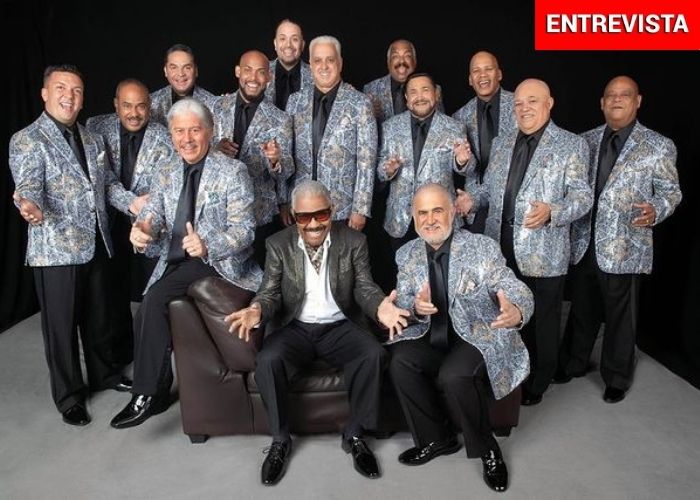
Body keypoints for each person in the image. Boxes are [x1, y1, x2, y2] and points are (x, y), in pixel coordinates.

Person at [226, 180, 409, 485]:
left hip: (340, 326)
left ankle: (355, 435)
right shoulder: (278, 244)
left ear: (332, 211)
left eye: (321, 215)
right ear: (293, 215)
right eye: (304, 217)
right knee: (268, 361)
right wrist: (256, 309)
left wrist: (380, 307)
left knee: (373, 354)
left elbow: (364, 286)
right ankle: (280, 440)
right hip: (295, 327)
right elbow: (270, 292)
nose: (313, 224)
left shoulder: (354, 241)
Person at [110, 98, 262, 429]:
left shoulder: (233, 171)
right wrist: (142, 228)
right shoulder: (165, 170)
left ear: (210, 131)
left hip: (215, 262)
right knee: (147, 311)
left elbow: (245, 231)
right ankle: (159, 390)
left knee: (154, 300)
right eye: (179, 131)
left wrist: (208, 244)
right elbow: (154, 213)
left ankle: (145, 394)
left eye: (195, 130)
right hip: (174, 258)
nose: (187, 139)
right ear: (171, 135)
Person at [387, 183, 533, 493]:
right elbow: (404, 301)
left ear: (453, 211)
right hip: (432, 333)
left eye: (437, 211)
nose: (429, 220)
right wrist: (414, 308)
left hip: (477, 334)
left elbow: (511, 285)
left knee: (454, 375)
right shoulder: (407, 254)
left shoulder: (481, 247)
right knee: (400, 361)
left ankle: (488, 449)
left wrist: (517, 310)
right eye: (422, 213)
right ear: (413, 216)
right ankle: (436, 439)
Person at [9, 64, 130, 426]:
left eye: (76, 90)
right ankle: (69, 396)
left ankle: (104, 374)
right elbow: (29, 184)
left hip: (96, 241)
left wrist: (134, 204)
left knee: (99, 317)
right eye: (61, 88)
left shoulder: (91, 138)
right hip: (56, 249)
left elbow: (107, 185)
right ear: (45, 93)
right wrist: (29, 205)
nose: (69, 96)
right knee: (61, 328)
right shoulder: (27, 139)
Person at [555, 75, 682, 403]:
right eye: (610, 95)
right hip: (585, 241)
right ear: (601, 103)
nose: (616, 100)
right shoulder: (585, 141)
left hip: (626, 245)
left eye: (624, 95)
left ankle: (616, 377)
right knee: (582, 307)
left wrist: (656, 210)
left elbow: (671, 192)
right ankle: (573, 362)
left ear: (637, 101)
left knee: (620, 317)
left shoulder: (658, 145)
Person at [468, 78, 593, 406]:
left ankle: (539, 381)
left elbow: (582, 197)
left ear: (549, 104)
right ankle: (511, 373)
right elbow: (488, 190)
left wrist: (553, 211)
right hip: (500, 244)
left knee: (542, 321)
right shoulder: (502, 142)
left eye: (532, 101)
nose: (524, 108)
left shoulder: (571, 144)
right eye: (519, 103)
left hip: (543, 250)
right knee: (508, 313)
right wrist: (470, 200)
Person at [86, 78, 175, 363]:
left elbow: (166, 184)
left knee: (154, 295)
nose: (134, 113)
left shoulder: (165, 135)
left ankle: (153, 356)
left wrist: (146, 209)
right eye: (127, 105)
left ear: (150, 107)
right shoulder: (95, 128)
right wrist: (131, 202)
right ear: (116, 105)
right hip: (109, 225)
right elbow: (99, 179)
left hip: (150, 226)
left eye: (140, 106)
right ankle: (120, 356)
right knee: (111, 295)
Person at [284, 35, 377, 232]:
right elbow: (286, 155)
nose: (324, 66)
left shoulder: (360, 103)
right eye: (318, 60)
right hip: (301, 206)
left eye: (330, 60)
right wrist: (284, 200)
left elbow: (367, 161)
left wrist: (360, 209)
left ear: (340, 63)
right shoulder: (295, 102)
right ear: (310, 65)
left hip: (341, 208)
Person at [212, 50, 294, 267]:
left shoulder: (281, 119)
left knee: (258, 276)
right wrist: (215, 149)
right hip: (218, 212)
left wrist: (275, 159)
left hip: (259, 215)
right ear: (238, 72)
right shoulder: (216, 106)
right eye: (248, 70)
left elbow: (286, 172)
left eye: (260, 72)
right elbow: (197, 152)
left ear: (269, 77)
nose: (253, 78)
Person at [378, 72, 471, 252]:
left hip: (440, 218)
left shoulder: (454, 127)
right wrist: (387, 170)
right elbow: (378, 170)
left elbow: (469, 170)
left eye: (425, 90)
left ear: (436, 94)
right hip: (401, 220)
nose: (419, 97)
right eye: (413, 92)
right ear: (407, 98)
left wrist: (462, 161)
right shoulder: (390, 127)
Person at [452, 51, 517, 233]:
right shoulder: (460, 116)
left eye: (488, 69)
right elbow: (467, 168)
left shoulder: (520, 106)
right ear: (470, 79)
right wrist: (462, 162)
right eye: (476, 71)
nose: (482, 75)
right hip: (475, 205)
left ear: (499, 74)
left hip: (513, 202)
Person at [362, 39, 445, 124]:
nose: (401, 61)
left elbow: (440, 124)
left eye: (407, 56)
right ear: (388, 62)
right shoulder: (371, 90)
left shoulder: (434, 89)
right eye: (395, 56)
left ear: (414, 61)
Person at [149, 44, 218, 126]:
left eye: (187, 67)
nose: (181, 74)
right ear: (165, 71)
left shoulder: (213, 105)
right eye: (174, 67)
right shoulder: (150, 103)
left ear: (196, 71)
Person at [265, 19, 313, 111]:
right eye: (282, 39)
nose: (288, 45)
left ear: (302, 45)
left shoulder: (316, 76)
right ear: (275, 44)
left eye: (295, 39)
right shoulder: (261, 73)